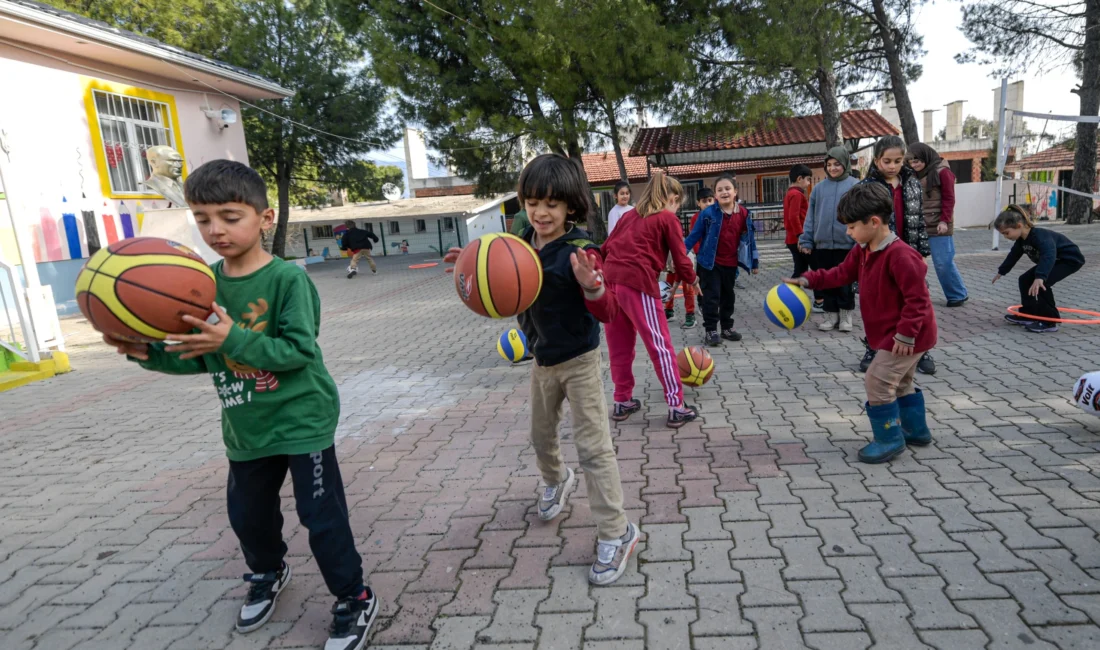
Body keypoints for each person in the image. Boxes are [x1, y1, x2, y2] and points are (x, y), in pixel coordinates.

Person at [103, 160, 377, 650]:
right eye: (203, 218)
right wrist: (147, 354)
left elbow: (297, 352)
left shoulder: (287, 282)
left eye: (230, 216)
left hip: (302, 419)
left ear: (265, 219)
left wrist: (234, 336)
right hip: (246, 425)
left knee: (321, 516)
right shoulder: (198, 283)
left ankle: (354, 596)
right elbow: (197, 358)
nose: (216, 230)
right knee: (248, 515)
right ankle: (268, 572)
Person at [446, 153, 639, 584]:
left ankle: (617, 531)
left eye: (551, 203)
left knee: (594, 449)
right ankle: (557, 478)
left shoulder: (581, 251)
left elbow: (608, 312)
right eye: (532, 201)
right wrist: (473, 265)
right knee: (540, 436)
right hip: (541, 360)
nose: (540, 211)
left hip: (581, 362)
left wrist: (593, 287)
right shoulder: (516, 243)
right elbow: (495, 272)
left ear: (571, 206)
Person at [785, 183, 936, 464]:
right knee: (901, 383)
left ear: (874, 222)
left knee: (877, 381)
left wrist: (905, 336)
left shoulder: (901, 255)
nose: (848, 232)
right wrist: (809, 280)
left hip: (906, 336)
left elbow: (918, 301)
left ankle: (889, 439)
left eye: (852, 226)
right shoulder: (864, 249)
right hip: (898, 335)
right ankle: (916, 431)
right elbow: (841, 273)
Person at [602, 171, 701, 429]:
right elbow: (681, 259)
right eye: (678, 204)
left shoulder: (626, 216)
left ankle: (622, 401)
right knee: (660, 345)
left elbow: (605, 248)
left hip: (611, 282)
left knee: (619, 347)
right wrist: (693, 279)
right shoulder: (667, 218)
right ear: (672, 198)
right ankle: (676, 406)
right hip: (638, 283)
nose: (677, 209)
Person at [860, 136, 935, 376]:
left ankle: (921, 350)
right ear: (877, 160)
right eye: (887, 161)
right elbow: (863, 224)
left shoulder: (912, 183)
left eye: (898, 161)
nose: (892, 166)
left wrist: (922, 252)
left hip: (909, 252)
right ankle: (875, 347)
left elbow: (919, 220)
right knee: (880, 304)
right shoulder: (868, 186)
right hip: (881, 254)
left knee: (915, 299)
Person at [684, 173, 759, 347]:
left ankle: (726, 328)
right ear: (715, 195)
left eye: (727, 188)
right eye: (720, 190)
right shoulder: (708, 213)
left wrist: (754, 262)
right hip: (709, 263)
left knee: (728, 297)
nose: (724, 192)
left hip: (731, 263)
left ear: (735, 192)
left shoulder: (744, 213)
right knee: (711, 297)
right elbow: (693, 236)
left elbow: (750, 239)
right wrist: (680, 254)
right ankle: (711, 330)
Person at [994, 205, 1085, 334]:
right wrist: (1002, 271)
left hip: (1069, 260)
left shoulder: (1040, 236)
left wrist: (1040, 277)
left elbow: (1049, 255)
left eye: (1006, 233)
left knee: (1043, 284)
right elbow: (1013, 255)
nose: (1005, 237)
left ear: (1019, 226)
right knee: (1024, 279)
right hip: (1052, 261)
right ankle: (1029, 314)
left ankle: (1049, 321)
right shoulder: (1021, 241)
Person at [798, 147, 858, 332]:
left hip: (847, 244)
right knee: (827, 282)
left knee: (845, 282)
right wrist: (807, 240)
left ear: (845, 164)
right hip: (823, 245)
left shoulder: (856, 185)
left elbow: (861, 214)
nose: (832, 168)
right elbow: (811, 217)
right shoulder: (818, 189)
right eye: (829, 165)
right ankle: (830, 316)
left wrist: (859, 241)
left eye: (837, 164)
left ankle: (846, 316)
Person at [908, 143, 969, 307]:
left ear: (926, 157)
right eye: (911, 162)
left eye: (917, 161)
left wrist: (944, 220)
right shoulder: (912, 175)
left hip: (938, 225)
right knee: (913, 263)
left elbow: (949, 199)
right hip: (918, 224)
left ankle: (957, 294)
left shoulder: (943, 172)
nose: (914, 165)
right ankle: (917, 295)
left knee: (943, 262)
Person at [664, 187, 714, 328]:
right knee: (670, 284)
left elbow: (688, 242)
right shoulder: (660, 218)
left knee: (689, 285)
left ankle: (690, 314)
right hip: (671, 259)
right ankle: (668, 310)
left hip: (685, 257)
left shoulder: (674, 221)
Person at [783, 164, 812, 278]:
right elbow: (793, 217)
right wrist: (801, 236)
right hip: (797, 239)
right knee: (804, 269)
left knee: (801, 270)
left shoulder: (790, 193)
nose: (809, 183)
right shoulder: (796, 194)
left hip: (793, 238)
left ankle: (793, 294)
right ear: (800, 179)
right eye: (808, 179)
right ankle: (787, 294)